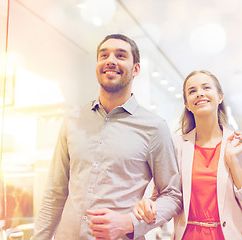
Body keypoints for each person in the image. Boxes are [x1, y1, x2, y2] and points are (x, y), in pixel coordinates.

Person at [31, 34, 182, 240]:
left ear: (136, 69)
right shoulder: (72, 120)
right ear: (97, 65)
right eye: (104, 55)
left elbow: (172, 195)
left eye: (120, 55)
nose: (110, 60)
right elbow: (54, 193)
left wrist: (131, 223)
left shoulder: (154, 127)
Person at [133, 70, 242, 240]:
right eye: (192, 91)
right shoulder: (175, 146)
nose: (200, 93)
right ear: (187, 104)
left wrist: (233, 162)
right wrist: (148, 205)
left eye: (206, 87)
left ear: (220, 97)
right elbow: (162, 196)